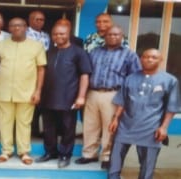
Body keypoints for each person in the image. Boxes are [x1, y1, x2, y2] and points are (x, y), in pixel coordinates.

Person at [75, 25, 142, 169]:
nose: (113, 37)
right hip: (92, 93)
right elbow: (86, 73)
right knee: (90, 126)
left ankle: (106, 156)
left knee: (109, 127)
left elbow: (135, 78)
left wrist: (127, 99)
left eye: (116, 35)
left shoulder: (129, 55)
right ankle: (89, 154)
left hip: (113, 94)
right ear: (104, 37)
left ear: (122, 36)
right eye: (110, 34)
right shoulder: (94, 52)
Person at [108, 48, 181, 179]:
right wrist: (115, 119)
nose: (149, 59)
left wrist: (163, 128)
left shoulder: (170, 80)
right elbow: (122, 101)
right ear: (141, 59)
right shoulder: (130, 78)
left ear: (160, 60)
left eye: (153, 57)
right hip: (125, 126)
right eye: (145, 56)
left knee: (147, 168)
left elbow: (171, 107)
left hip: (151, 128)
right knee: (114, 163)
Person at [35, 22, 91, 168]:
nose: (58, 36)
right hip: (48, 96)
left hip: (69, 97)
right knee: (48, 127)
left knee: (68, 128)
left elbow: (84, 75)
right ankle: (50, 152)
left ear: (68, 35)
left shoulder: (79, 52)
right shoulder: (49, 52)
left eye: (62, 34)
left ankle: (65, 155)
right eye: (55, 34)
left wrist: (81, 96)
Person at [0, 17, 46, 165]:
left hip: (27, 91)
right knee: (4, 122)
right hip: (3, 91)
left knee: (24, 123)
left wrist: (38, 91)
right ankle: (6, 151)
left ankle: (24, 152)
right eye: (13, 25)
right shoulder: (0, 45)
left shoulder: (37, 46)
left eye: (20, 25)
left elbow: (41, 69)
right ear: (8, 28)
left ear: (26, 27)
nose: (16, 28)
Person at [26, 10, 50, 138]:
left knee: (40, 102)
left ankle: (36, 130)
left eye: (42, 20)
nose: (40, 22)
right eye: (37, 19)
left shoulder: (46, 36)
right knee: (28, 103)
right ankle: (29, 131)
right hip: (28, 73)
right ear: (30, 20)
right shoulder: (24, 33)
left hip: (43, 72)